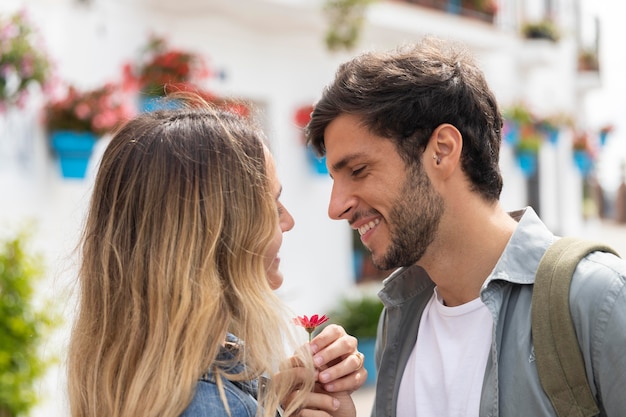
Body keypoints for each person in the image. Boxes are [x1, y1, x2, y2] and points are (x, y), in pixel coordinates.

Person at [305, 37, 626, 416]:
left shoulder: (597, 299)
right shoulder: (403, 314)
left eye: (358, 171)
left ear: (441, 150)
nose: (335, 207)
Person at [67, 96, 366, 417]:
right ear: (220, 233)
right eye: (271, 205)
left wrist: (271, 405)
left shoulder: (141, 380)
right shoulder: (218, 404)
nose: (288, 221)